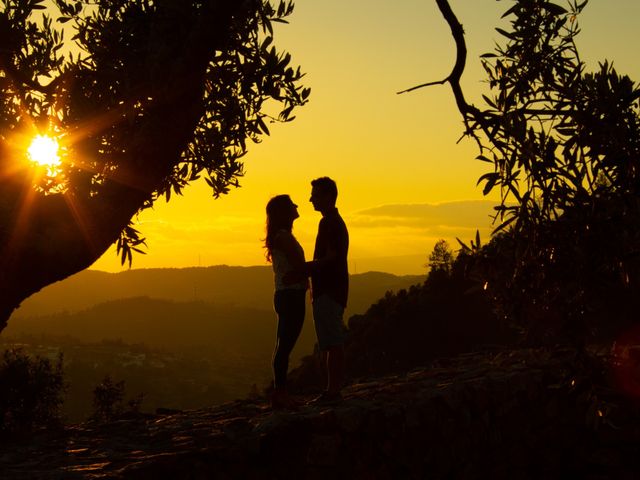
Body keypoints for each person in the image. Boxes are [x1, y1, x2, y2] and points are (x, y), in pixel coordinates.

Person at [306, 177, 349, 403]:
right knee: (331, 342)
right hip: (331, 290)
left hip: (329, 291)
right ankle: (332, 389)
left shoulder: (329, 223)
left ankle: (333, 391)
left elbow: (331, 257)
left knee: (333, 342)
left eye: (315, 194)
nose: (311, 199)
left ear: (328, 197)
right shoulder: (332, 221)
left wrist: (306, 268)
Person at [264, 194, 308, 409]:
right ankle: (280, 394)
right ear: (284, 212)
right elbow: (300, 266)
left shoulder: (281, 236)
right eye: (292, 204)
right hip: (291, 296)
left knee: (283, 345)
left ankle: (280, 392)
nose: (296, 205)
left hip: (286, 295)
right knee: (284, 347)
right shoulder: (284, 237)